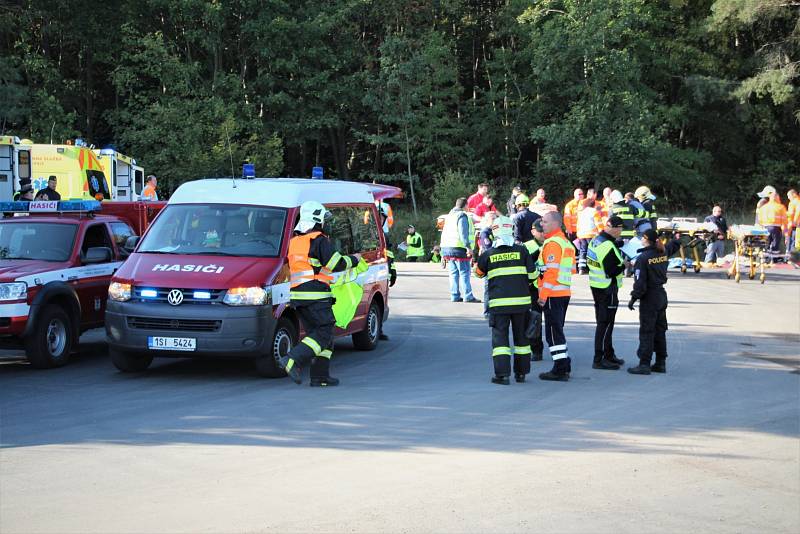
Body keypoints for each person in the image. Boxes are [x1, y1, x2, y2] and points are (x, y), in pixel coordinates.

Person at [278, 201, 362, 386]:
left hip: (299, 297)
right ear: (317, 219)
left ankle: (319, 376)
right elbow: (336, 264)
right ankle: (292, 359)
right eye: (323, 219)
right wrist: (354, 260)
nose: (325, 223)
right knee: (323, 333)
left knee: (320, 336)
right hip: (315, 296)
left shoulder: (294, 241)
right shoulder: (319, 239)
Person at [475, 216, 536, 384]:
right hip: (521, 304)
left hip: (499, 306)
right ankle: (521, 374)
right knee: (522, 340)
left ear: (494, 233)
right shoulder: (522, 251)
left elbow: (478, 273)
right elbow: (533, 275)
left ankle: (502, 375)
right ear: (511, 230)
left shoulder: (488, 254)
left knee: (500, 341)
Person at [627, 229, 681, 375]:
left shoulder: (643, 258)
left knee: (647, 331)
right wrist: (675, 238)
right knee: (660, 330)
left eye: (643, 238)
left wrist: (634, 297)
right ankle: (660, 363)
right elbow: (673, 246)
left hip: (649, 297)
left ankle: (644, 364)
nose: (641, 240)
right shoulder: (662, 251)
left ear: (646, 240)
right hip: (661, 296)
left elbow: (640, 282)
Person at [537, 211, 576, 382]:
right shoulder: (565, 242)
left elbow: (551, 272)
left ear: (555, 224)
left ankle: (560, 369)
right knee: (557, 331)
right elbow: (571, 269)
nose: (541, 225)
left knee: (553, 334)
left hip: (553, 293)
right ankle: (563, 365)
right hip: (563, 292)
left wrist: (543, 295)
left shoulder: (552, 243)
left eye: (545, 222)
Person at [588, 216, 627, 370]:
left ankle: (609, 354)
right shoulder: (608, 247)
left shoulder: (597, 240)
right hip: (607, 288)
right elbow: (611, 271)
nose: (621, 231)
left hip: (597, 286)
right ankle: (599, 359)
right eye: (621, 228)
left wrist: (617, 245)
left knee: (604, 322)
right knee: (605, 324)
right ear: (615, 228)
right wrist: (624, 265)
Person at [440, 197, 479, 303]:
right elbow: (463, 234)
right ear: (465, 205)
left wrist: (442, 252)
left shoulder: (449, 216)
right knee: (464, 272)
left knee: (453, 273)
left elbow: (444, 233)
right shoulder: (462, 215)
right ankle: (468, 296)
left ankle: (455, 295)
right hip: (459, 249)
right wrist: (468, 247)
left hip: (447, 248)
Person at [524, 219, 546, 361]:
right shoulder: (526, 247)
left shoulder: (553, 244)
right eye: (540, 231)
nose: (543, 233)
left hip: (551, 289)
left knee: (554, 323)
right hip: (533, 289)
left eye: (544, 230)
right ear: (533, 232)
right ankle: (536, 350)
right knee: (534, 320)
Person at [756, 185, 788, 260]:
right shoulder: (781, 207)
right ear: (777, 198)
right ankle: (774, 260)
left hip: (765, 228)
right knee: (775, 244)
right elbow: (785, 220)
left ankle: (766, 259)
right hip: (776, 228)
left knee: (766, 244)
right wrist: (786, 232)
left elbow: (759, 219)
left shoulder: (763, 207)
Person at [576, 199, 603, 274]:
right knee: (593, 251)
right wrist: (601, 232)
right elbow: (598, 223)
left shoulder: (581, 213)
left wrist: (578, 234)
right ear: (594, 205)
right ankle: (593, 268)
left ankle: (581, 268)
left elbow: (578, 225)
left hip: (582, 235)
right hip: (592, 234)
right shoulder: (594, 212)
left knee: (583, 251)